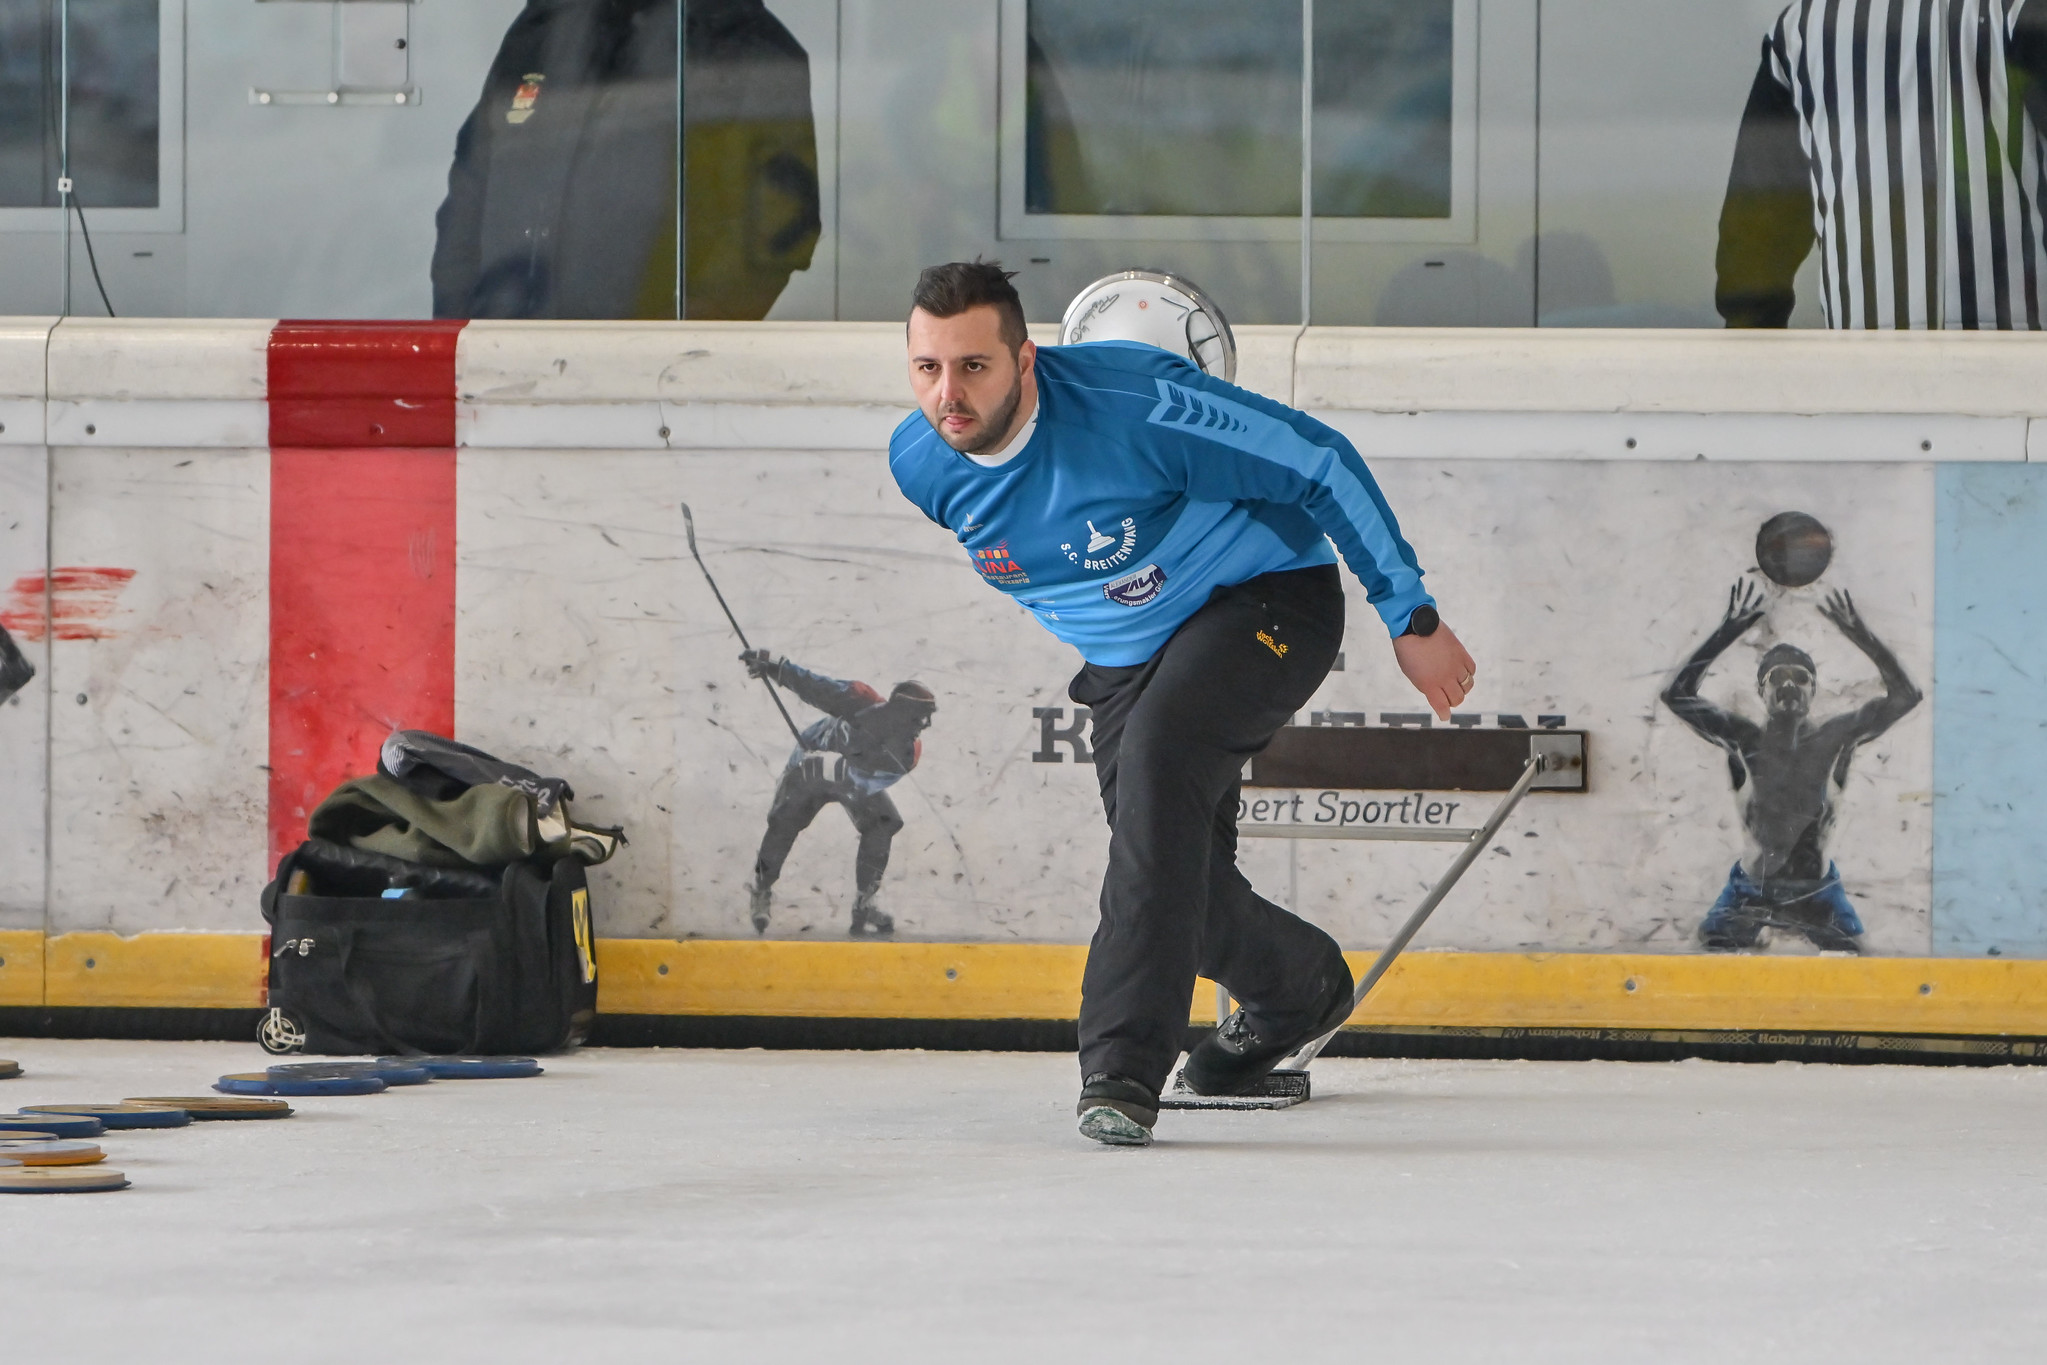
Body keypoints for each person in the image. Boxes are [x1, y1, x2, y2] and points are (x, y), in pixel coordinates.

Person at [889, 261, 1475, 1146]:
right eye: (927, 368)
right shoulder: (921, 464)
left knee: (1160, 773)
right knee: (1162, 866)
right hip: (1131, 662)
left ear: (1026, 361)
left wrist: (1411, 614)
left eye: (973, 365)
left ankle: (1121, 1069)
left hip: (1264, 602)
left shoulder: (1139, 409)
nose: (949, 394)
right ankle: (1297, 989)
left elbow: (1320, 461)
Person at [432, 0, 820, 320]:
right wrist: (461, 328)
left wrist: (669, 356)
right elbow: (470, 187)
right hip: (500, 363)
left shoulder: (747, 47)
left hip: (639, 383)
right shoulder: (547, 26)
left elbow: (776, 231)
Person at [1717, 0, 2047, 329]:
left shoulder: (1802, 30)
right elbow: (1756, 230)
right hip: (2012, 346)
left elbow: (1756, 236)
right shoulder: (2015, 13)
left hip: (1868, 346)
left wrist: (1748, 347)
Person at [1662, 583, 1921, 952]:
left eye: (1800, 678)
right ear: (1761, 691)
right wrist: (1727, 632)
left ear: (1813, 690)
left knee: (1862, 974)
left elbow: (1905, 696)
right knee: (1702, 966)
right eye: (1776, 678)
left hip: (1817, 892)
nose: (1788, 685)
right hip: (1751, 891)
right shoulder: (1743, 737)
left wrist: (1860, 633)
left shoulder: (1836, 737)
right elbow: (1678, 696)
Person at [740, 650, 936, 937]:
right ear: (898, 711)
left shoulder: (908, 753)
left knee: (884, 822)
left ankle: (865, 902)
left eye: (926, 719)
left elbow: (866, 782)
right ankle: (762, 887)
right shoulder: (859, 698)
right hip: (812, 764)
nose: (923, 727)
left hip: (849, 777)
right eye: (919, 718)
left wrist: (840, 770)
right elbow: (815, 686)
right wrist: (773, 668)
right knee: (784, 822)